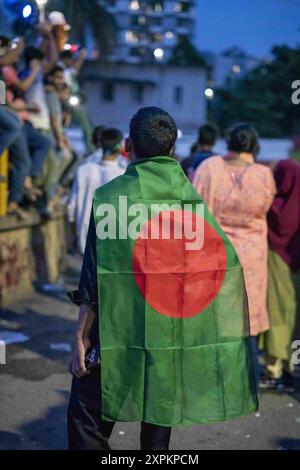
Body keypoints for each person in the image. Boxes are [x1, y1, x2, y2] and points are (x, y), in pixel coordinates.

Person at [67, 108, 257, 450]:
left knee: (86, 421)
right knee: (157, 422)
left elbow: (93, 278)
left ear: (128, 145)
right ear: (171, 151)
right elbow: (215, 268)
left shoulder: (110, 199)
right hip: (168, 334)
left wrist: (81, 335)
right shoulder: (189, 204)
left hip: (113, 332)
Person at [193, 123, 276, 381]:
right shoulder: (263, 174)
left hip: (215, 252)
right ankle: (245, 379)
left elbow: (194, 209)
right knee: (246, 317)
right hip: (251, 257)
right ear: (253, 145)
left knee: (215, 315)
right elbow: (267, 204)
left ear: (228, 142)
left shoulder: (209, 167)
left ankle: (209, 378)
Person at [260, 160, 300, 390]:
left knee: (276, 315)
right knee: (295, 321)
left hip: (276, 263)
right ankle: (290, 369)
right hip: (295, 268)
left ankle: (273, 370)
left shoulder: (273, 208)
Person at [67, 128, 127, 255]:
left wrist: (75, 234)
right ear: (119, 147)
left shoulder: (83, 169)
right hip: (113, 240)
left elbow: (71, 207)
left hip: (85, 236)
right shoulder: (123, 174)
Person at [58, 48, 93, 153]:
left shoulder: (67, 70)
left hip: (73, 101)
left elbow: (75, 70)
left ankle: (90, 148)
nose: (71, 61)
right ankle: (90, 149)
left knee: (87, 124)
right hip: (66, 102)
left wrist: (82, 56)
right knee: (85, 125)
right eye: (70, 59)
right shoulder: (60, 69)